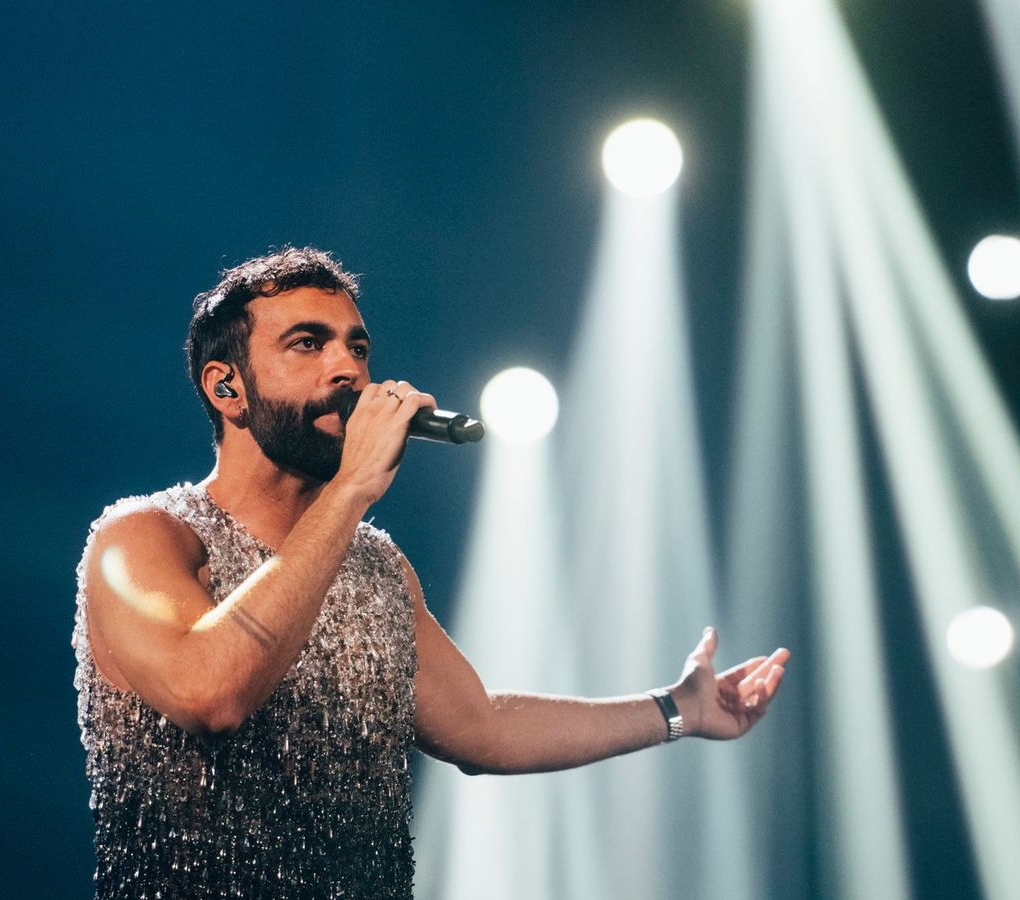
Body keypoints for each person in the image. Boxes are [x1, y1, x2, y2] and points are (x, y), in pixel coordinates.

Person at [70, 246, 790, 899]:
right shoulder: (140, 541)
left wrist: (676, 709)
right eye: (307, 344)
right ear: (227, 389)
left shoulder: (377, 566)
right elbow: (211, 692)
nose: (348, 368)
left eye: (357, 347)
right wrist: (350, 491)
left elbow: (482, 729)